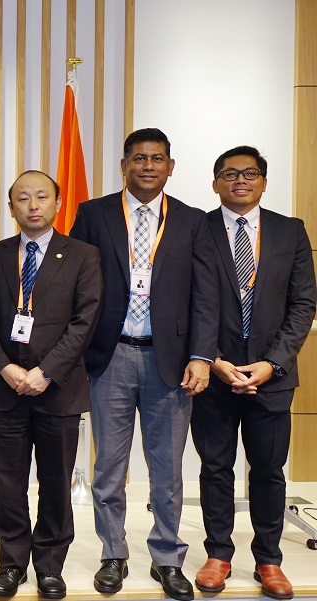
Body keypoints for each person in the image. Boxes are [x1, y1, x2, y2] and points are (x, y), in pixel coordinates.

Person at [69, 128, 219, 601]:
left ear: (170, 166)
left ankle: (167, 557)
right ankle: (113, 554)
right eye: (139, 158)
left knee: (167, 469)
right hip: (109, 356)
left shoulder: (193, 220)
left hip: (170, 362)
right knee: (109, 467)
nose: (148, 166)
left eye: (157, 159)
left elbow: (205, 295)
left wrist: (200, 356)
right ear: (125, 165)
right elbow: (75, 282)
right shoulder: (93, 214)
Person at [0, 170, 102, 599]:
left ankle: (50, 565)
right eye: (22, 198)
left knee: (56, 481)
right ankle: (11, 563)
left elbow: (85, 322)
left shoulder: (82, 254)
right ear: (10, 208)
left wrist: (45, 373)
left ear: (57, 203)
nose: (32, 205)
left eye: (41, 196)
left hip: (58, 388)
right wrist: (4, 368)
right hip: (6, 386)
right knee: (7, 480)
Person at [190, 146, 315, 600]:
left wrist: (271, 363)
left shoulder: (290, 231)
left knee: (268, 469)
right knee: (215, 467)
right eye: (228, 173)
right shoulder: (195, 229)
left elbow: (303, 305)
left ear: (264, 180)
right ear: (214, 182)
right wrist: (213, 359)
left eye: (249, 173)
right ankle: (218, 554)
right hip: (214, 373)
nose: (239, 180)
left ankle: (268, 559)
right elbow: (187, 303)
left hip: (272, 376)